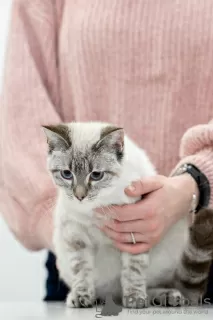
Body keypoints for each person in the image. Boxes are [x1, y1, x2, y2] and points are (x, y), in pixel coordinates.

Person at [0, 0, 213, 302]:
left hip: (202, 250)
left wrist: (197, 181)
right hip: (87, 259)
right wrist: (70, 227)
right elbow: (20, 116)